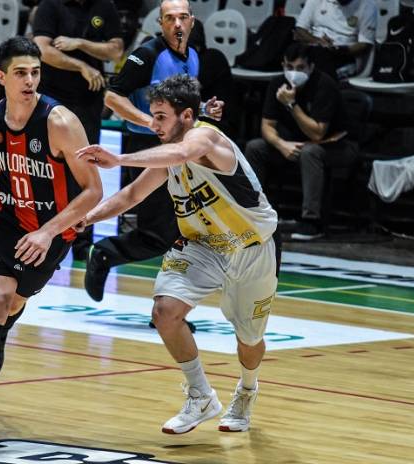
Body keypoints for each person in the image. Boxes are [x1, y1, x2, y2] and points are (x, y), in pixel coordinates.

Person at [76, 74, 279, 434]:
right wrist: (86, 218)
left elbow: (185, 152)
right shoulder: (168, 152)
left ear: (186, 116)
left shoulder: (205, 138)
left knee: (249, 340)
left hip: (249, 248)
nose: (153, 124)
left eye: (160, 117)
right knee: (164, 312)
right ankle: (200, 396)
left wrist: (119, 158)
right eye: (152, 115)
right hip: (202, 246)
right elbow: (131, 195)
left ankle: (247, 390)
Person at [0, 36, 103, 445]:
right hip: (5, 219)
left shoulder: (60, 123)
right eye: (20, 73)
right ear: (1, 77)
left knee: (14, 303)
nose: (29, 81)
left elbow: (93, 191)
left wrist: (46, 232)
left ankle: (1, 331)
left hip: (52, 228)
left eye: (35, 73)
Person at [85, 0, 224, 302]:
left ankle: (169, 310)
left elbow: (179, 107)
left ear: (192, 22)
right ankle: (106, 253)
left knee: (184, 232)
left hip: (181, 149)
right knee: (158, 234)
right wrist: (151, 122)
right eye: (170, 18)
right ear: (160, 23)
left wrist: (203, 109)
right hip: (148, 145)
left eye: (183, 17)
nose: (177, 24)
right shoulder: (146, 54)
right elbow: (112, 97)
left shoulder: (193, 56)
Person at [33, 0, 125, 260]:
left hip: (87, 102)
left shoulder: (104, 6)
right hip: (50, 99)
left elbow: (116, 51)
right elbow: (42, 50)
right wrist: (81, 65)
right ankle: (40, 233)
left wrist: (80, 44)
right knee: (44, 169)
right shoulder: (50, 5)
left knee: (85, 172)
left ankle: (82, 244)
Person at [244, 43, 356, 240]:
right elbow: (267, 126)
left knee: (310, 152)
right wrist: (281, 145)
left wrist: (291, 104)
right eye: (289, 67)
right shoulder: (277, 83)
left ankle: (312, 221)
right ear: (283, 65)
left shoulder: (324, 85)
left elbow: (317, 134)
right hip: (293, 144)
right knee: (255, 147)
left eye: (300, 68)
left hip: (336, 145)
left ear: (311, 67)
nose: (294, 73)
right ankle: (255, 214)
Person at [294, 0, 377, 80]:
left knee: (319, 63)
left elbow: (365, 44)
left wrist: (338, 49)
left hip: (344, 55)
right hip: (314, 48)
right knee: (294, 51)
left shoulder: (367, 5)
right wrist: (318, 41)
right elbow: (300, 29)